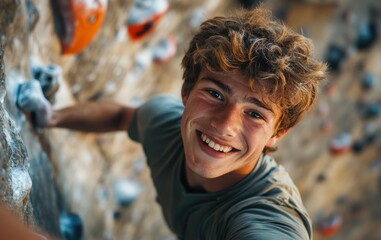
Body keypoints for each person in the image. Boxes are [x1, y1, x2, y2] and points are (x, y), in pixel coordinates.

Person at [18, 6, 326, 240]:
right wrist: (52, 116)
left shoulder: (267, 216)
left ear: (279, 133)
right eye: (215, 94)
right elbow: (122, 116)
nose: (225, 124)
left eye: (255, 113)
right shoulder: (164, 124)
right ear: (185, 92)